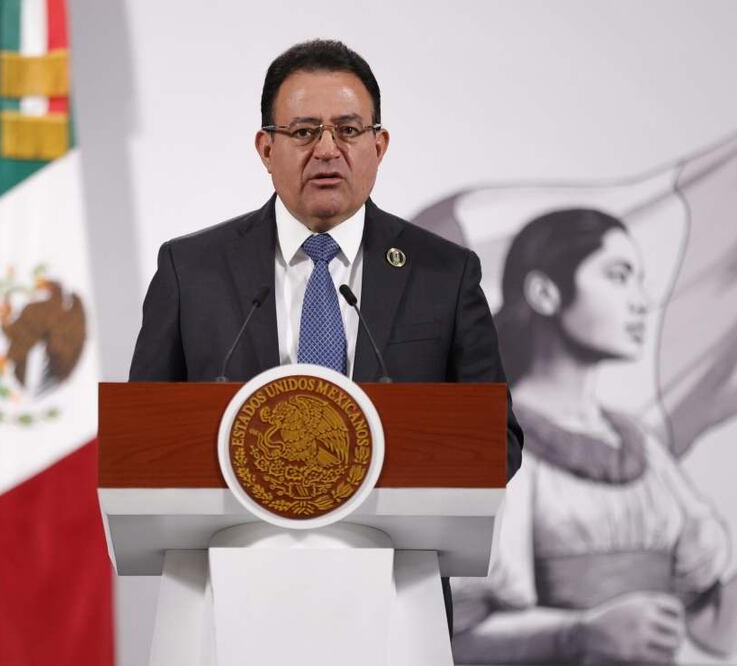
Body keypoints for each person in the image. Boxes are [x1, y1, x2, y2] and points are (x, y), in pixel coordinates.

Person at [128, 39, 523, 627]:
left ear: (379, 144)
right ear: (266, 147)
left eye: (348, 129)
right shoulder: (193, 270)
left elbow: (498, 443)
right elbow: (144, 443)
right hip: (231, 593)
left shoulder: (444, 273)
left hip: (395, 596)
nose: (327, 151)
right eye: (305, 131)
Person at [451, 209, 737, 664]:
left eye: (639, 279)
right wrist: (579, 634)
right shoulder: (490, 437)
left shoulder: (638, 444)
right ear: (545, 293)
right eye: (619, 276)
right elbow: (453, 638)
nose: (642, 301)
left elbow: (712, 624)